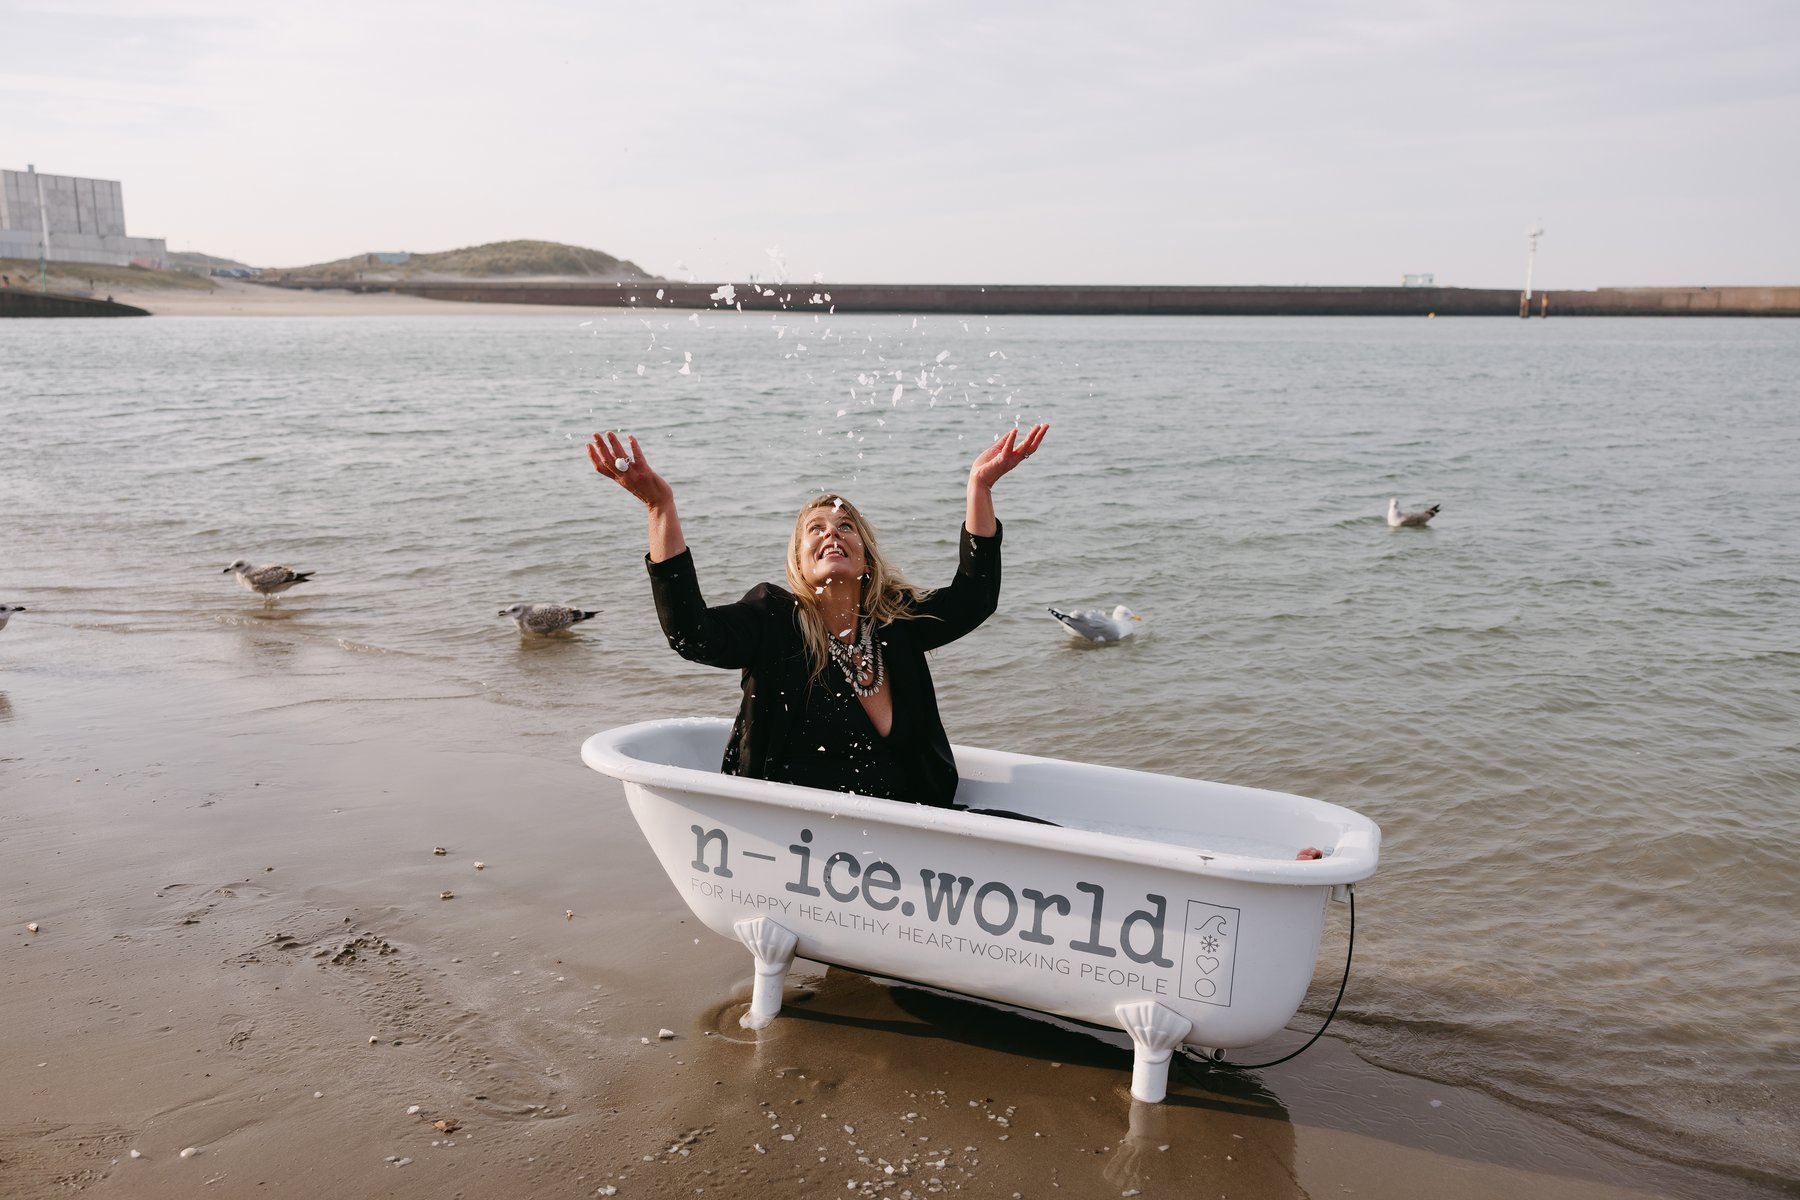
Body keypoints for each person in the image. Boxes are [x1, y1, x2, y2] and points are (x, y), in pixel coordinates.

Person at [587, 424, 1048, 810]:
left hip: (913, 827)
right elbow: (692, 635)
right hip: (794, 833)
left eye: (845, 526)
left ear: (865, 558)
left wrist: (979, 487)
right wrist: (658, 508)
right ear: (801, 564)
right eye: (816, 529)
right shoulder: (774, 620)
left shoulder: (895, 623)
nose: (832, 532)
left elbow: (975, 597)